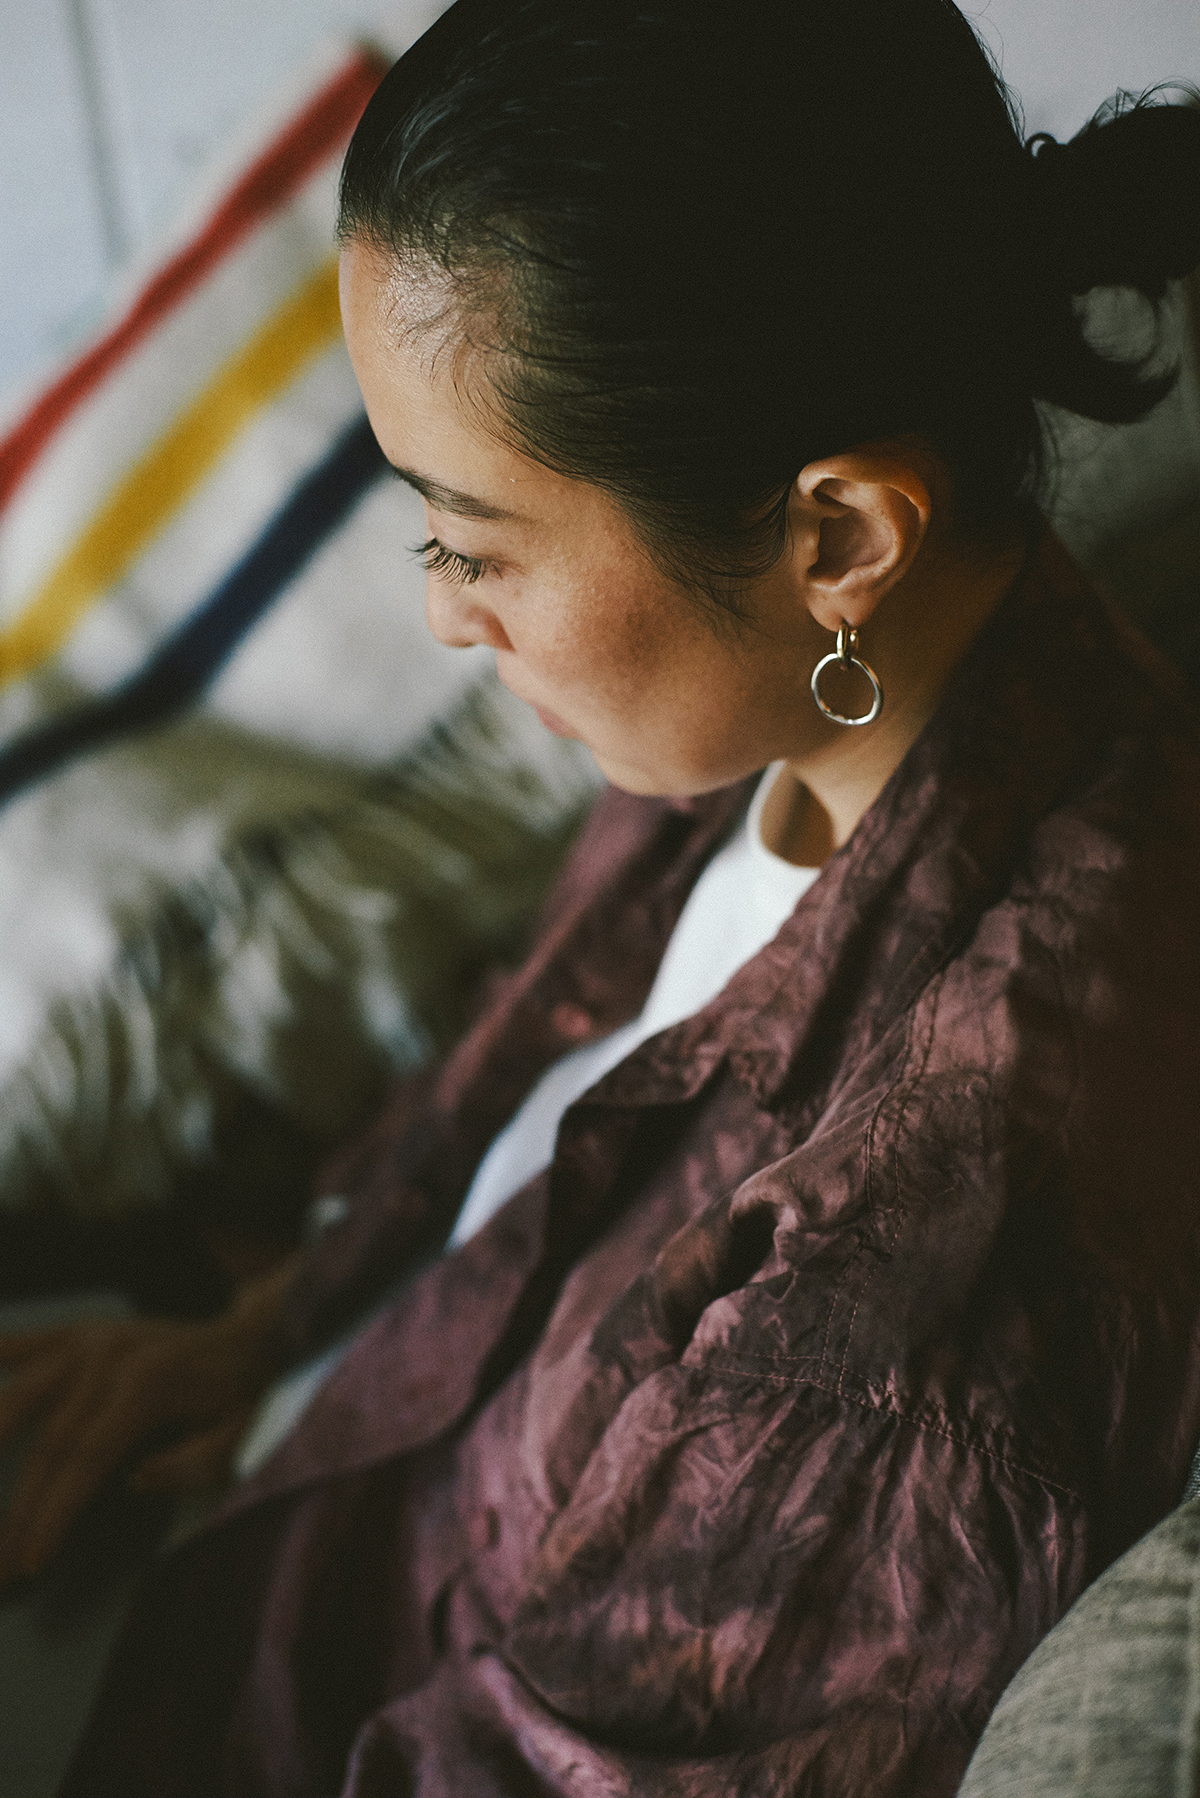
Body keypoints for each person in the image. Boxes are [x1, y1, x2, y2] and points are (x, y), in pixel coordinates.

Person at [2, 0, 1200, 1791]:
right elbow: (524, 1126)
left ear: (839, 538)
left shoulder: (909, 1278)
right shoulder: (782, 707)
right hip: (257, 1477)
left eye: (476, 541)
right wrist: (265, 1339)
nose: (443, 612)